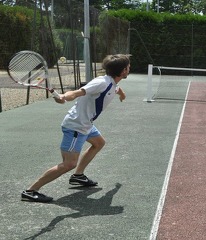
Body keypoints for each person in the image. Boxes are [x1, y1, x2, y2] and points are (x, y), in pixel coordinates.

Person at [21, 54, 131, 203]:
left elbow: (117, 89)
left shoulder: (112, 82)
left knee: (99, 143)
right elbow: (78, 92)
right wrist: (65, 96)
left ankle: (78, 176)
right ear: (123, 71)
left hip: (86, 125)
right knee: (69, 163)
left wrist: (122, 95)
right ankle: (31, 190)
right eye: (128, 66)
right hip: (76, 127)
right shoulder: (101, 82)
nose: (129, 68)